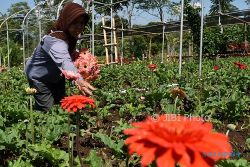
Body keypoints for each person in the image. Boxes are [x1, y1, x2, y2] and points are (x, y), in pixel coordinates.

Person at [25, 2, 96, 112]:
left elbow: (67, 55)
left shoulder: (69, 37)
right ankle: (39, 125)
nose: (79, 27)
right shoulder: (55, 41)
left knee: (62, 104)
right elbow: (65, 61)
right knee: (47, 110)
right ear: (67, 21)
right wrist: (78, 79)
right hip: (39, 78)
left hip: (56, 76)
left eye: (82, 23)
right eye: (75, 23)